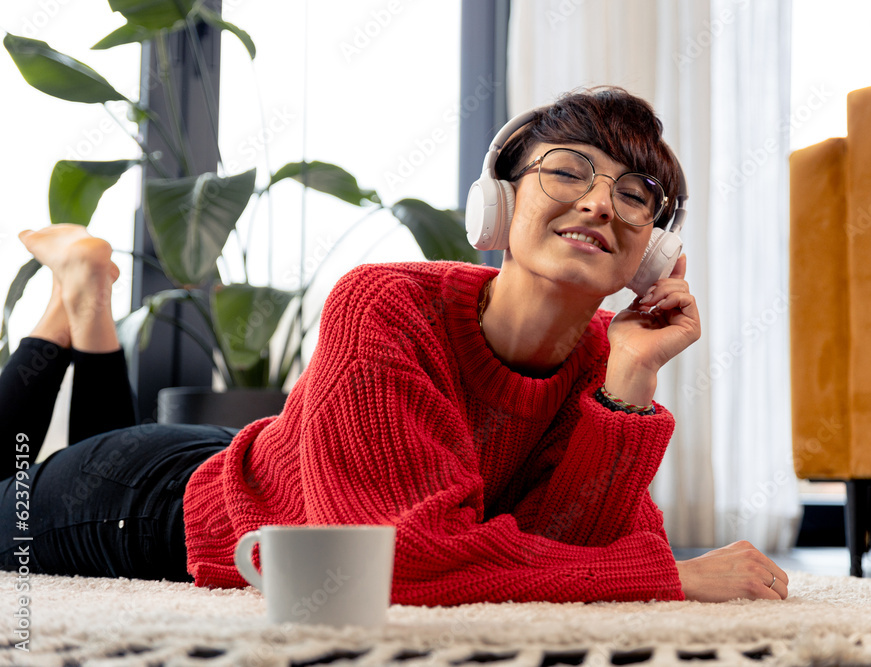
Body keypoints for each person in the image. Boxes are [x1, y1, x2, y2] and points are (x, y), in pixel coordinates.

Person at [0, 87, 789, 604]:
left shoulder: (603, 358)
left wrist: (628, 381)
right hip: (144, 505)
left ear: (652, 253)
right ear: (499, 201)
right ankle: (72, 308)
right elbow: (395, 563)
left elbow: (571, 549)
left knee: (83, 440)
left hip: (266, 461)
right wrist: (670, 577)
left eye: (634, 194)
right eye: (568, 172)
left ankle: (84, 297)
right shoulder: (387, 304)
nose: (599, 203)